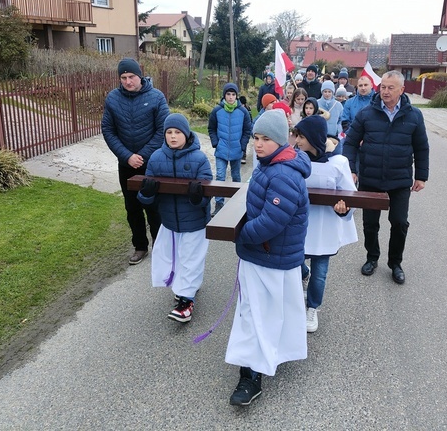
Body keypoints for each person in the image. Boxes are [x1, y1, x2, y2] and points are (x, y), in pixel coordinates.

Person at [225, 108, 311, 406]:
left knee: (258, 315)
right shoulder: (268, 164)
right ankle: (260, 361)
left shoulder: (284, 174)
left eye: (265, 139)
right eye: (255, 138)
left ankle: (252, 376)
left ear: (280, 141)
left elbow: (272, 221)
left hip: (268, 256)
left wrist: (241, 234)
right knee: (259, 313)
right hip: (266, 257)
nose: (257, 144)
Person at [342, 70, 429, 285]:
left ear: (402, 90)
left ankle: (395, 263)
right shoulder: (366, 113)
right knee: (370, 224)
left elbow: (421, 148)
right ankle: (372, 258)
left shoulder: (414, 115)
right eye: (383, 87)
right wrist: (350, 170)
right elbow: (351, 143)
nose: (385, 91)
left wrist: (421, 176)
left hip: (399, 180)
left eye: (391, 88)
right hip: (371, 178)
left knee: (399, 222)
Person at [137, 113, 212, 323]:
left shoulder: (199, 159)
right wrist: (148, 192)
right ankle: (185, 288)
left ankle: (186, 302)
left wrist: (199, 197)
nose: (172, 136)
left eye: (177, 132)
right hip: (170, 221)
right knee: (175, 259)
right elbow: (144, 196)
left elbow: (207, 193)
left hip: (194, 222)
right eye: (169, 132)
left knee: (190, 259)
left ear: (186, 134)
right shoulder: (156, 158)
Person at [293, 115, 358, 333]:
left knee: (320, 273)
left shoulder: (338, 163)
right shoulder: (294, 159)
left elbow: (350, 194)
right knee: (295, 262)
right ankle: (304, 275)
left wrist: (344, 207)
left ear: (313, 137)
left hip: (325, 227)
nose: (297, 140)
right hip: (300, 223)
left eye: (301, 136)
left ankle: (313, 307)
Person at [102, 57, 169, 266]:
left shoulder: (156, 97)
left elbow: (163, 130)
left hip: (152, 164)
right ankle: (140, 246)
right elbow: (108, 130)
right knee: (132, 208)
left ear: (139, 75)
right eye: (123, 77)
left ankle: (160, 246)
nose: (128, 81)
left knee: (154, 207)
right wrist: (126, 156)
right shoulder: (112, 99)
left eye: (131, 76)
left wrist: (143, 155)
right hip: (126, 164)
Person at [208, 82, 252, 216]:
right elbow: (211, 128)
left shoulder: (243, 112)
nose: (231, 97)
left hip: (236, 150)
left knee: (236, 176)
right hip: (221, 150)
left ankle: (236, 202)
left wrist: (242, 146)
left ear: (237, 96)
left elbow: (247, 130)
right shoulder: (217, 110)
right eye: (228, 94)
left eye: (233, 94)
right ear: (224, 95)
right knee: (220, 176)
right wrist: (216, 143)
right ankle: (219, 203)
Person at [238, 96, 252, 164]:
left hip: (245, 128)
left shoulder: (247, 110)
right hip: (238, 128)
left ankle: (243, 156)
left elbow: (250, 120)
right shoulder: (237, 110)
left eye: (243, 104)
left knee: (244, 142)